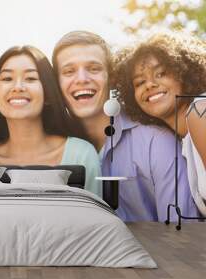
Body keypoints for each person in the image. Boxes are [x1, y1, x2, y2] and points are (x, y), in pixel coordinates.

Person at [52, 31, 197, 221]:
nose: (81, 79)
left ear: (112, 78)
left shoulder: (156, 142)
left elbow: (183, 235)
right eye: (69, 71)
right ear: (56, 83)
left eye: (94, 68)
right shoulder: (52, 147)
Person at [0, 46, 101, 197]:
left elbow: (96, 218)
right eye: (7, 79)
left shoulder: (81, 154)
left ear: (48, 94)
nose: (18, 87)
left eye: (30, 78)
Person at [114, 32, 206, 216]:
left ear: (184, 72)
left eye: (161, 73)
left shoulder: (200, 112)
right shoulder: (182, 138)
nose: (150, 85)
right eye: (140, 82)